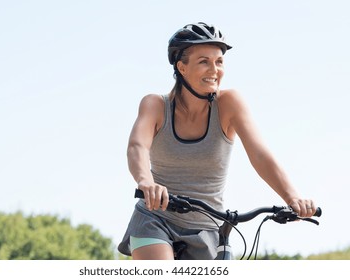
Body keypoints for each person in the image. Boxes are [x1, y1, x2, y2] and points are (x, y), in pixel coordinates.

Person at [118, 22, 316, 260]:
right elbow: (137, 147)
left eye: (219, 61)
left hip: (210, 227)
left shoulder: (229, 104)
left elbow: (260, 154)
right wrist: (145, 182)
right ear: (181, 67)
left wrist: (292, 197)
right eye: (204, 61)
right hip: (156, 219)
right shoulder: (155, 105)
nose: (214, 69)